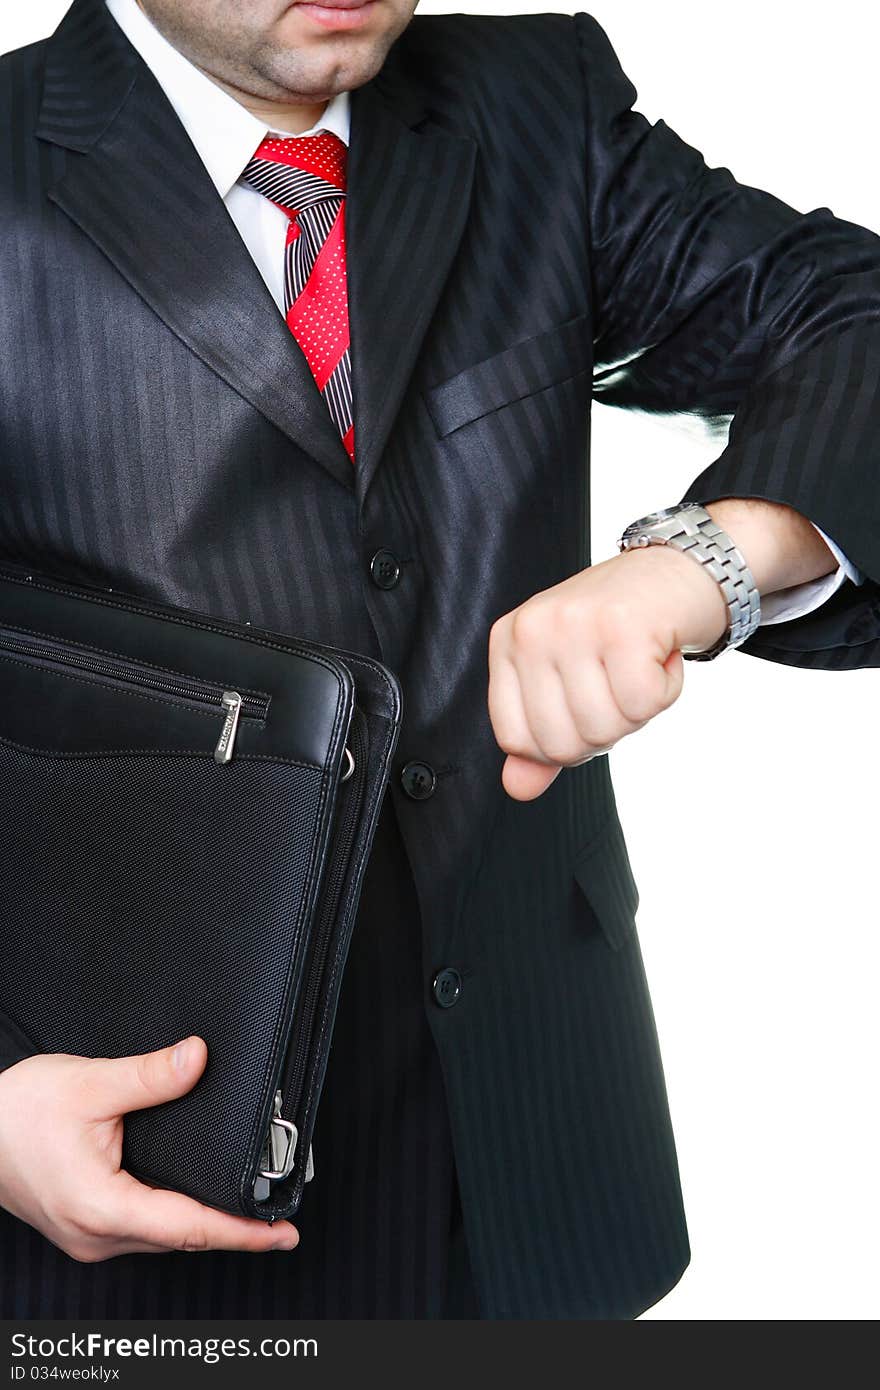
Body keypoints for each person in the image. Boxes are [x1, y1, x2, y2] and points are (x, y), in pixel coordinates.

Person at [0, 0, 877, 1321]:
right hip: (148, 1198)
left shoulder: (537, 106)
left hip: (536, 1173)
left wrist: (710, 556)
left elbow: (850, 320)